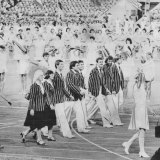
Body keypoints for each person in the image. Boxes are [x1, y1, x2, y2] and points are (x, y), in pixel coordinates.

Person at [22, 70, 55, 145]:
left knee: (37, 124)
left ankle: (25, 133)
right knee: (39, 125)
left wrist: (50, 104)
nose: (42, 76)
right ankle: (39, 139)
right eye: (41, 75)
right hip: (36, 108)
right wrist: (32, 109)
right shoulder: (34, 86)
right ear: (37, 76)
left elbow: (46, 96)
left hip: (42, 108)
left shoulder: (42, 85)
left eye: (43, 75)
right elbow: (32, 98)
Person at [122, 70, 150, 158]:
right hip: (140, 110)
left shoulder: (137, 86)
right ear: (141, 78)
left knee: (142, 130)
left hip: (140, 109)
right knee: (142, 130)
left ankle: (128, 143)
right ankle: (141, 151)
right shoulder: (140, 87)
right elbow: (143, 101)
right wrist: (150, 109)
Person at [88, 57, 113, 128]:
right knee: (102, 107)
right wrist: (90, 92)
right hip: (95, 91)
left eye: (102, 62)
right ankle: (106, 123)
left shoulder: (102, 71)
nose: (101, 63)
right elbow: (90, 82)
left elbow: (103, 82)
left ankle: (86, 118)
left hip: (101, 91)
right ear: (97, 63)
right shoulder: (93, 71)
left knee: (92, 107)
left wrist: (106, 89)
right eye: (100, 62)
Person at [53, 59, 75, 138]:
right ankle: (67, 133)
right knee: (62, 116)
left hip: (61, 99)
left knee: (64, 113)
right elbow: (52, 88)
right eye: (61, 64)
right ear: (57, 65)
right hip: (56, 99)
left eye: (63, 64)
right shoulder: (54, 75)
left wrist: (69, 96)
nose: (63, 66)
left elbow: (62, 88)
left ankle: (62, 128)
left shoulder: (61, 74)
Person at [66, 61, 90, 133]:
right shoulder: (70, 73)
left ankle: (81, 128)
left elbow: (79, 84)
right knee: (66, 114)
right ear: (73, 66)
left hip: (77, 97)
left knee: (80, 113)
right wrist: (79, 91)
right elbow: (70, 84)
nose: (78, 66)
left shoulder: (77, 74)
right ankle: (62, 127)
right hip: (70, 98)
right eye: (77, 65)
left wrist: (82, 90)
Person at [103, 56, 123, 126]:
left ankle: (111, 119)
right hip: (108, 88)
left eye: (111, 61)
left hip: (114, 88)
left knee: (115, 105)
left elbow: (117, 79)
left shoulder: (114, 67)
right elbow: (103, 78)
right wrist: (105, 88)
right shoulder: (104, 67)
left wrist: (115, 89)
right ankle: (113, 120)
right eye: (108, 61)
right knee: (112, 105)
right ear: (106, 61)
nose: (110, 62)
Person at [43, 70, 57, 141]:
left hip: (51, 103)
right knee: (44, 121)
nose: (53, 76)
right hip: (47, 104)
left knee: (50, 121)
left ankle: (50, 136)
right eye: (51, 75)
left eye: (53, 74)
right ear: (48, 75)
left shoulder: (51, 82)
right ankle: (26, 132)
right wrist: (51, 104)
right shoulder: (45, 83)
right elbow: (47, 95)